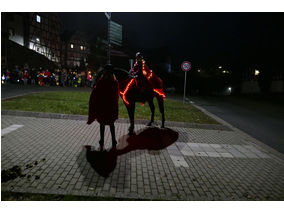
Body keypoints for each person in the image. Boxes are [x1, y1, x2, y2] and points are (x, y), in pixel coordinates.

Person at [87, 64, 119, 150]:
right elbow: (116, 95)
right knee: (111, 124)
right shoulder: (115, 82)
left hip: (103, 106)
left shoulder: (102, 81)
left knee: (102, 124)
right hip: (111, 107)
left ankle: (102, 140)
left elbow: (96, 92)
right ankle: (113, 140)